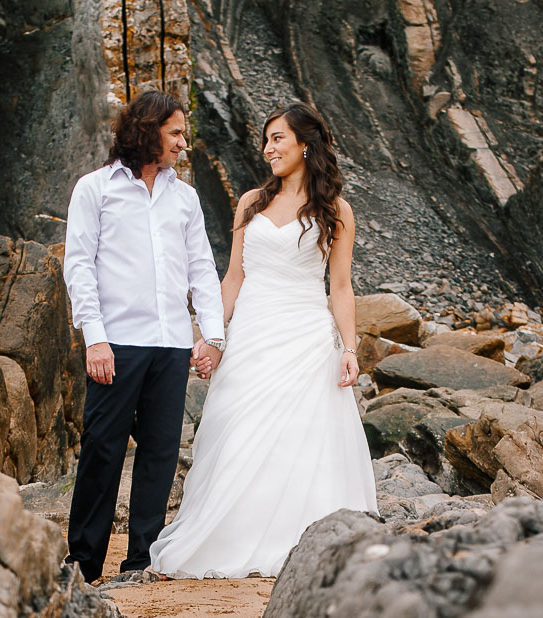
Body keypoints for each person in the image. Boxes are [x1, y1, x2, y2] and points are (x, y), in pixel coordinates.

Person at [150, 102, 378, 579]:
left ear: (305, 145)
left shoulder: (336, 211)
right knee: (239, 433)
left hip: (306, 337)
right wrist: (210, 335)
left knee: (303, 439)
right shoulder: (251, 202)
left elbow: (339, 286)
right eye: (266, 139)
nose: (268, 148)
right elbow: (232, 278)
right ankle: (229, 536)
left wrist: (351, 349)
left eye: (278, 138)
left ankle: (301, 542)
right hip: (253, 334)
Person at [61, 89, 227, 582]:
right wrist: (94, 337)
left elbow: (202, 269)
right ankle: (84, 562)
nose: (183, 142)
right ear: (147, 129)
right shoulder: (94, 189)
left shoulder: (185, 197)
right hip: (115, 342)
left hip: (172, 343)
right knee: (102, 450)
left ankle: (142, 560)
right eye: (175, 131)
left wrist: (212, 337)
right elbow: (79, 268)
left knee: (159, 452)